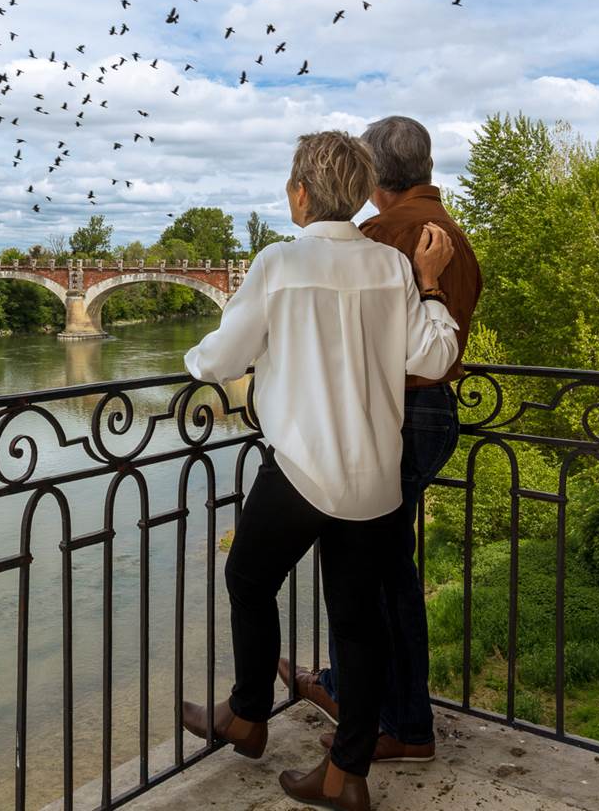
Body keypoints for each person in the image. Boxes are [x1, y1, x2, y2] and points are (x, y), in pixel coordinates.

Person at [180, 130, 460, 811]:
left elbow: (221, 359)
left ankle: (247, 715)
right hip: (375, 476)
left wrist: (196, 363)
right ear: (361, 193)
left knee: (247, 580)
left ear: (301, 192)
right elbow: (432, 359)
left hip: (304, 468)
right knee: (359, 621)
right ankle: (347, 773)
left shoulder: (279, 262)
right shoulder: (391, 268)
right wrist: (428, 286)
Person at [279, 115, 483, 763]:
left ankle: (390, 720)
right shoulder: (452, 234)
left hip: (392, 414)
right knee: (385, 569)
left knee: (367, 576)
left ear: (373, 176)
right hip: (431, 409)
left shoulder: (379, 237)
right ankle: (370, 700)